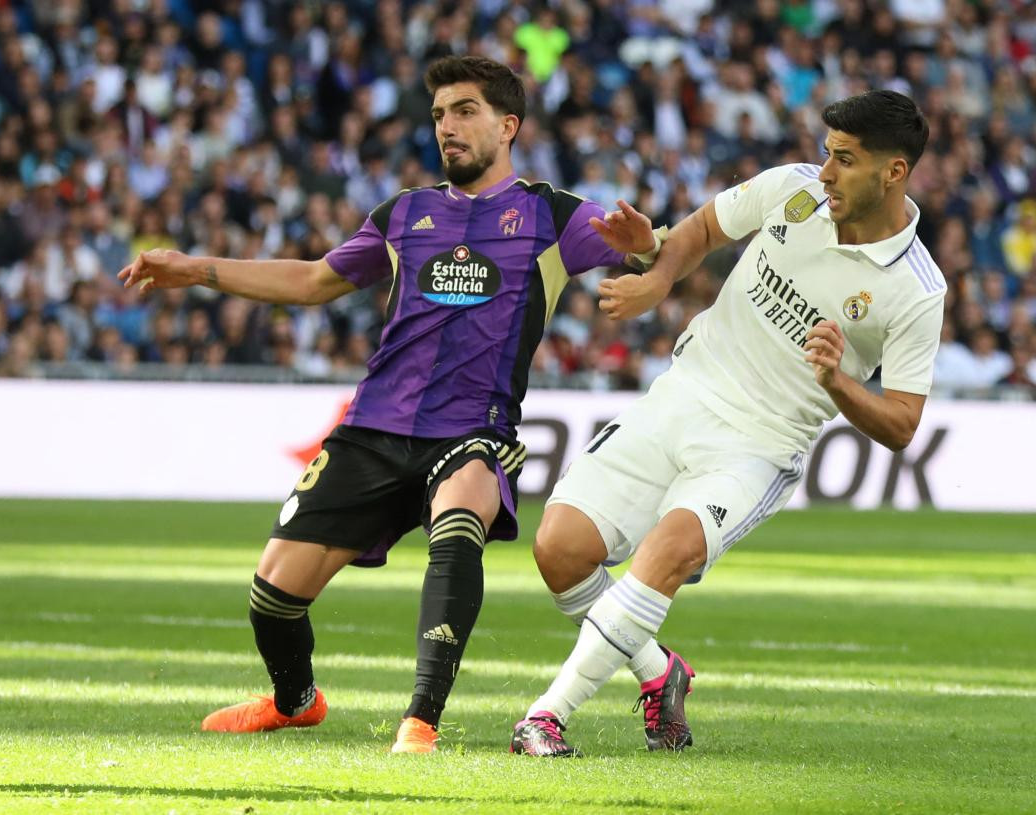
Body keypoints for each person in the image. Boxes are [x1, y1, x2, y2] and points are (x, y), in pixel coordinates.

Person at [117, 56, 662, 754]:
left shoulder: (551, 214)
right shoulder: (404, 213)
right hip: (375, 425)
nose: (448, 127)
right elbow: (315, 280)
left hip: (473, 427)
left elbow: (644, 251)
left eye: (464, 111)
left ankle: (421, 720)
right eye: (439, 115)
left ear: (508, 124)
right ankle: (296, 701)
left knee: (461, 516)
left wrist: (646, 249)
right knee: (272, 596)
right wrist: (197, 269)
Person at [510, 90, 945, 756]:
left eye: (845, 160)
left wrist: (840, 383)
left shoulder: (917, 289)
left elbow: (903, 423)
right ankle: (660, 672)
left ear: (893, 172)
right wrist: (656, 280)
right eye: (827, 153)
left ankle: (547, 714)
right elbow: (703, 231)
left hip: (759, 444)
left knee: (665, 553)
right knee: (560, 547)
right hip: (685, 391)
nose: (825, 171)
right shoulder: (793, 190)